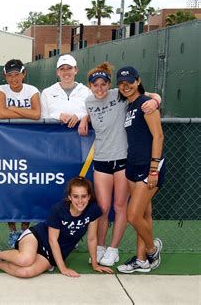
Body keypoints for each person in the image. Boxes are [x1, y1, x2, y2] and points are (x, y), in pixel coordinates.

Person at [78, 63, 161, 266]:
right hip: (101, 160)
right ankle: (100, 247)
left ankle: (113, 250)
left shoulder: (120, 94)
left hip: (124, 160)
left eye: (103, 84)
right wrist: (84, 118)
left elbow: (148, 96)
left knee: (120, 206)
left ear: (109, 84)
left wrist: (156, 101)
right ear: (89, 86)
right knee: (104, 208)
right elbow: (95, 113)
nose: (100, 88)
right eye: (95, 85)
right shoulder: (88, 101)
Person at [0, 176, 113, 278]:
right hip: (37, 237)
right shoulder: (59, 210)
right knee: (25, 260)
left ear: (89, 197)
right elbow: (52, 240)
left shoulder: (93, 210)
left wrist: (95, 264)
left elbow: (92, 238)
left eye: (84, 196)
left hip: (52, 254)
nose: (80, 201)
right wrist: (63, 268)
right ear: (70, 197)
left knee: (25, 272)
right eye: (76, 196)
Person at [115, 66, 165, 273]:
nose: (126, 86)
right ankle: (142, 260)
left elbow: (158, 136)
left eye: (130, 82)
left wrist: (153, 169)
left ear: (138, 81)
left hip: (148, 167)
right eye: (121, 83)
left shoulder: (145, 104)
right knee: (144, 215)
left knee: (133, 216)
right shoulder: (129, 106)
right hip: (132, 165)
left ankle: (152, 250)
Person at [0, 59, 41, 248]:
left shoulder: (32, 90)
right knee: (10, 185)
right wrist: (24, 111)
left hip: (28, 143)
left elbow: (37, 114)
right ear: (5, 76)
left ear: (24, 74)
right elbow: (2, 114)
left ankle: (24, 230)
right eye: (10, 75)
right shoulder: (0, 89)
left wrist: (11, 108)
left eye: (17, 74)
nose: (14, 78)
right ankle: (13, 231)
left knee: (26, 184)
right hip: (6, 143)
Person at [40, 54, 91, 127]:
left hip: (81, 137)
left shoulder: (87, 92)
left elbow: (94, 114)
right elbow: (42, 117)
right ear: (57, 72)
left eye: (69, 68)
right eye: (62, 69)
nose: (66, 72)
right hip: (54, 136)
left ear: (76, 70)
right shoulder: (47, 93)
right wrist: (58, 116)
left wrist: (78, 116)